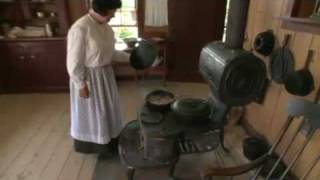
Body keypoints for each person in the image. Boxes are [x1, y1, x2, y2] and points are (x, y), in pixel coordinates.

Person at [67, 0, 128, 154]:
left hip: (105, 75)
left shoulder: (107, 29)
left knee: (108, 110)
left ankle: (110, 142)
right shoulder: (80, 28)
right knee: (93, 113)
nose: (114, 14)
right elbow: (74, 61)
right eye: (113, 10)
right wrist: (81, 85)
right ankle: (92, 145)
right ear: (104, 9)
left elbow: (111, 53)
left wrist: (132, 57)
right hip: (89, 78)